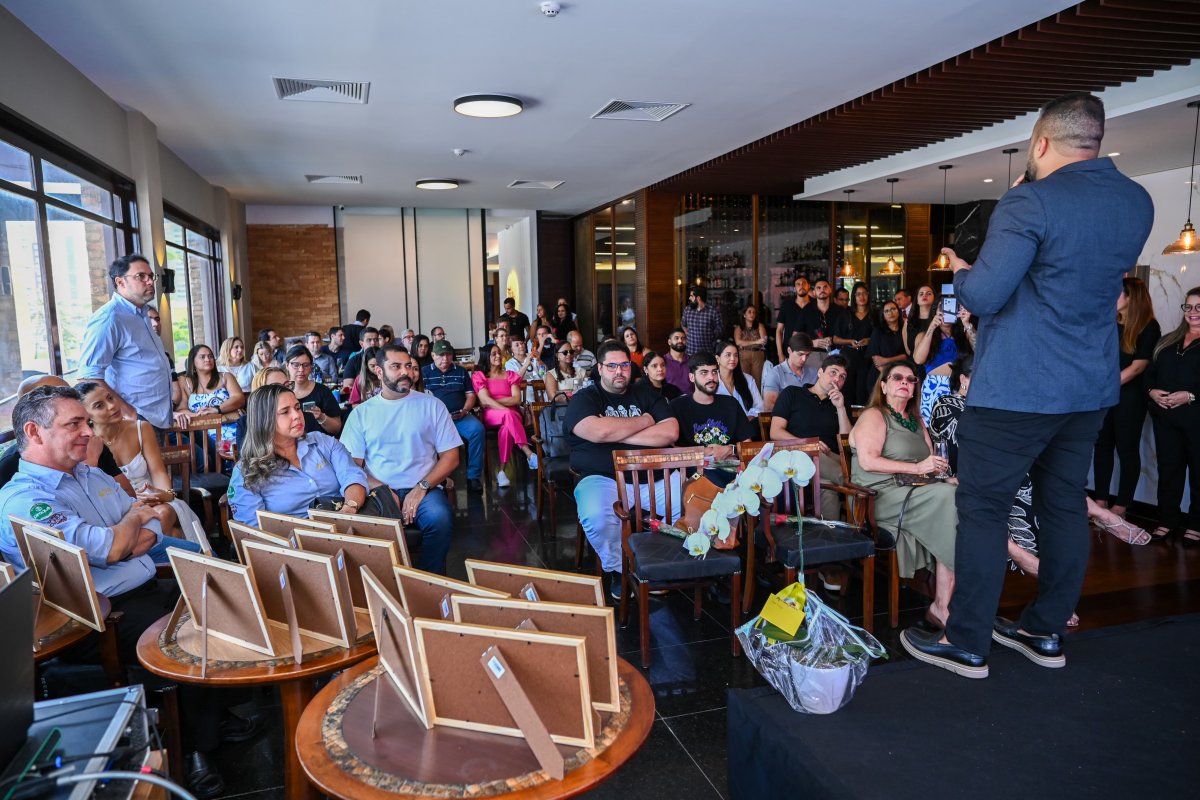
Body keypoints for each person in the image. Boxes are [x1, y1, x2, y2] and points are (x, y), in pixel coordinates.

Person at [905, 92, 1155, 679]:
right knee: (1064, 503)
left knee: (984, 509)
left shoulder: (1028, 202)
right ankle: (1044, 632)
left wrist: (963, 276)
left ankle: (967, 643)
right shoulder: (1135, 201)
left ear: (1041, 143)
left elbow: (988, 296)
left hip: (1017, 387)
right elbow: (1071, 283)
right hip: (1088, 387)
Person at [0, 387, 253, 796]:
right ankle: (196, 750)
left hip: (148, 581)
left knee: (223, 594)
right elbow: (111, 547)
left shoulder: (92, 473)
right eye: (74, 424)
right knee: (191, 629)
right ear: (34, 431)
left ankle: (215, 714)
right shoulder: (25, 500)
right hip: (100, 615)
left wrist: (129, 529)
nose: (88, 430)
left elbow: (151, 525)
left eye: (86, 421)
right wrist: (126, 531)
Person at [929, 357, 1146, 626]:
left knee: (1045, 490)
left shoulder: (990, 408)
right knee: (1029, 499)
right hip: (972, 479)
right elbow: (965, 449)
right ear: (963, 379)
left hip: (1004, 476)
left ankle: (1059, 589)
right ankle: (1093, 517)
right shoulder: (947, 405)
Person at [565, 341, 679, 597]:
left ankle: (662, 565)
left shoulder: (648, 394)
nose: (619, 371)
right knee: (596, 516)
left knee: (695, 503)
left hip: (654, 476)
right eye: (612, 366)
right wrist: (644, 422)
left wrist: (614, 433)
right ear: (600, 368)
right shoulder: (587, 397)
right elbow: (596, 430)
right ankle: (619, 569)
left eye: (625, 365)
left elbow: (670, 431)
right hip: (602, 477)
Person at [849, 362, 957, 629]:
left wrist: (943, 475)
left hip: (916, 489)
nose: (905, 382)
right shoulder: (874, 415)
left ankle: (943, 603)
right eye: (897, 377)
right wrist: (919, 468)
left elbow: (931, 462)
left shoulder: (917, 420)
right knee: (950, 499)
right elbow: (868, 461)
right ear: (884, 386)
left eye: (911, 379)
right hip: (879, 495)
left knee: (958, 492)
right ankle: (943, 605)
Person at [341, 345, 460, 574]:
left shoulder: (432, 405)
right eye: (395, 366)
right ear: (378, 371)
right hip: (377, 489)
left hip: (426, 486)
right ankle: (386, 584)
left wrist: (422, 487)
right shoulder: (362, 413)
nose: (405, 372)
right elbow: (352, 465)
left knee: (440, 519)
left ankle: (429, 580)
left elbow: (451, 456)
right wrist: (383, 489)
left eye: (408, 366)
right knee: (366, 531)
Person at [79, 381, 206, 552]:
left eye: (110, 398)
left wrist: (164, 494)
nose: (112, 406)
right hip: (118, 506)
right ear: (86, 416)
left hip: (154, 497)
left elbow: (158, 471)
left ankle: (154, 566)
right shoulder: (86, 445)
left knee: (163, 513)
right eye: (99, 405)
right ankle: (177, 553)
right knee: (171, 532)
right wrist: (131, 502)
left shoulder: (141, 428)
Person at [228, 384, 368, 525]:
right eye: (285, 412)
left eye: (297, 408)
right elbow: (255, 529)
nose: (297, 416)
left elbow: (353, 476)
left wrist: (349, 508)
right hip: (292, 542)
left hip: (347, 523)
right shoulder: (247, 472)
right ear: (264, 420)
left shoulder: (322, 442)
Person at [78, 254, 174, 431]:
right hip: (133, 420)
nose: (150, 282)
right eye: (141, 276)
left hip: (157, 417)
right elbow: (88, 375)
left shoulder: (143, 314)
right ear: (120, 282)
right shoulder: (109, 318)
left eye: (151, 276)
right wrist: (129, 413)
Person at [1093, 276, 1159, 520]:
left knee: (1126, 448)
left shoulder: (1149, 327)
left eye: (1117, 293)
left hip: (1130, 397)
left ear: (1131, 298)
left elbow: (1138, 367)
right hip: (1104, 394)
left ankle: (1121, 505)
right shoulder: (1111, 324)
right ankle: (1100, 500)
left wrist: (1106, 386)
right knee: (1102, 446)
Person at [1146, 288, 1200, 544]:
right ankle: (1167, 521)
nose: (1193, 313)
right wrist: (1152, 391)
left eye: (1199, 307)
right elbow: (1150, 374)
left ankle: (1196, 525)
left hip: (1196, 420)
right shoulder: (1168, 341)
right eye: (1188, 307)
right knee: (1169, 471)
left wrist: (1189, 396)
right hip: (1166, 419)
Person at [771, 355, 852, 518]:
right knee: (819, 459)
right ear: (820, 372)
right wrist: (809, 445)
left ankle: (830, 537)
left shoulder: (842, 402)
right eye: (833, 372)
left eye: (842, 377)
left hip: (831, 458)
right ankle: (859, 484)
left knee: (827, 486)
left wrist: (841, 408)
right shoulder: (793, 394)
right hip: (798, 454)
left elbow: (847, 442)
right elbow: (775, 432)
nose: (837, 379)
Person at [474, 343, 538, 487]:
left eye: (499, 353)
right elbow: (483, 401)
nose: (498, 356)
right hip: (492, 415)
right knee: (508, 415)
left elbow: (516, 399)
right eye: (494, 354)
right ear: (486, 357)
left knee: (506, 428)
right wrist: (503, 407)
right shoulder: (480, 376)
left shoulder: (510, 375)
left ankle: (502, 472)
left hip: (511, 415)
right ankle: (528, 453)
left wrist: (492, 400)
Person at [423, 340, 484, 492]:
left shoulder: (460, 371)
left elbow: (471, 395)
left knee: (478, 430)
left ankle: (473, 476)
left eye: (448, 355)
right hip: (435, 421)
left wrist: (464, 410)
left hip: (459, 416)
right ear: (433, 355)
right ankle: (434, 477)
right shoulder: (424, 372)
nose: (445, 359)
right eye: (441, 355)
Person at [671, 353, 755, 460]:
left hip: (732, 469)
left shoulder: (731, 404)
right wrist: (702, 452)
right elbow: (669, 449)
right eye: (704, 373)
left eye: (714, 372)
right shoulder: (676, 406)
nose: (711, 377)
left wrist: (731, 449)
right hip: (693, 472)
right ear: (692, 377)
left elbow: (748, 445)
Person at [911, 304, 976, 422]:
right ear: (935, 312)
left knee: (961, 425)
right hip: (934, 387)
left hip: (961, 386)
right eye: (942, 309)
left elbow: (980, 352)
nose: (946, 313)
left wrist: (966, 323)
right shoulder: (923, 335)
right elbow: (918, 359)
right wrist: (932, 326)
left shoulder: (964, 333)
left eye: (950, 308)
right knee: (934, 427)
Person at [171, 344, 245, 447]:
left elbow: (239, 398)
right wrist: (200, 415)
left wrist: (216, 409)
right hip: (202, 433)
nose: (208, 359)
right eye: (202, 357)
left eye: (210, 356)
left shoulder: (226, 377)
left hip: (231, 427)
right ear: (193, 361)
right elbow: (182, 409)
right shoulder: (184, 381)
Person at [282, 344, 342, 436]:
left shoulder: (322, 391)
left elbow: (337, 428)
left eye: (306, 365)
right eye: (296, 365)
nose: (301, 369)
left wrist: (321, 417)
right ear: (287, 365)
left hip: (318, 445)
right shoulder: (280, 393)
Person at [833, 282, 875, 406]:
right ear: (854, 297)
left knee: (864, 391)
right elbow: (835, 339)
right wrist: (849, 341)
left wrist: (869, 340)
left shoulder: (875, 315)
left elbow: (882, 337)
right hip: (849, 357)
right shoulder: (846, 314)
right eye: (858, 294)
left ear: (868, 295)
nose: (861, 297)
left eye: (864, 294)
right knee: (848, 390)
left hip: (868, 358)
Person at [761, 333, 816, 412]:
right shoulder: (775, 374)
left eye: (807, 355)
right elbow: (769, 407)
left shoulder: (813, 372)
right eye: (800, 354)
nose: (804, 359)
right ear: (789, 350)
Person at [714, 340, 763, 418]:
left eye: (736, 355)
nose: (733, 358)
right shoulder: (712, 380)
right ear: (717, 358)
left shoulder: (748, 379)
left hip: (747, 425)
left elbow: (760, 406)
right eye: (728, 355)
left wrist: (750, 416)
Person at [866, 301, 907, 392]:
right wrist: (888, 376)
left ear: (898, 311)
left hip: (901, 373)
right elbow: (876, 360)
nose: (890, 313)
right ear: (883, 315)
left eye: (893, 309)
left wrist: (886, 360)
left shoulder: (905, 329)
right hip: (880, 375)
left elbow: (907, 355)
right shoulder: (878, 331)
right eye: (887, 311)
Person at [776, 276, 812, 364]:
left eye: (804, 283)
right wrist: (780, 354)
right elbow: (779, 331)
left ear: (809, 286)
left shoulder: (815, 305)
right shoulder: (787, 305)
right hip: (790, 351)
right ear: (794, 288)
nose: (801, 286)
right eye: (798, 284)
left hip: (811, 351)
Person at [734, 304, 770, 387]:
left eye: (754, 312)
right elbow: (738, 342)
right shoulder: (739, 328)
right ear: (744, 315)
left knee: (757, 380)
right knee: (745, 380)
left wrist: (757, 342)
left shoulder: (759, 326)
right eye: (749, 312)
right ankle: (746, 399)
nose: (752, 314)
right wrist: (756, 341)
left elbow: (764, 340)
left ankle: (756, 400)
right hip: (743, 354)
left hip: (757, 354)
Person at [681, 286, 724, 356]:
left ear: (698, 298)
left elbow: (720, 329)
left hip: (708, 352)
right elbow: (683, 324)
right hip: (690, 352)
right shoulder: (687, 310)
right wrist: (687, 333)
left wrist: (709, 335)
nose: (689, 298)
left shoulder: (713, 311)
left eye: (691, 296)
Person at [902, 285, 936, 359]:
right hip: (914, 364)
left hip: (935, 366)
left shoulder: (938, 320)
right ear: (917, 300)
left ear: (934, 299)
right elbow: (907, 349)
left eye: (929, 293)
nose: (925, 295)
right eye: (921, 294)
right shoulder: (908, 322)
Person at [145, 305, 176, 376]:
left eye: (157, 319)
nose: (155, 324)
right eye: (149, 320)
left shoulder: (165, 354)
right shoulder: (137, 354)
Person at [664, 328, 691, 394]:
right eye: (676, 338)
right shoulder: (662, 361)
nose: (680, 341)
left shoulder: (692, 360)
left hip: (691, 399)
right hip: (670, 401)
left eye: (683, 338)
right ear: (669, 342)